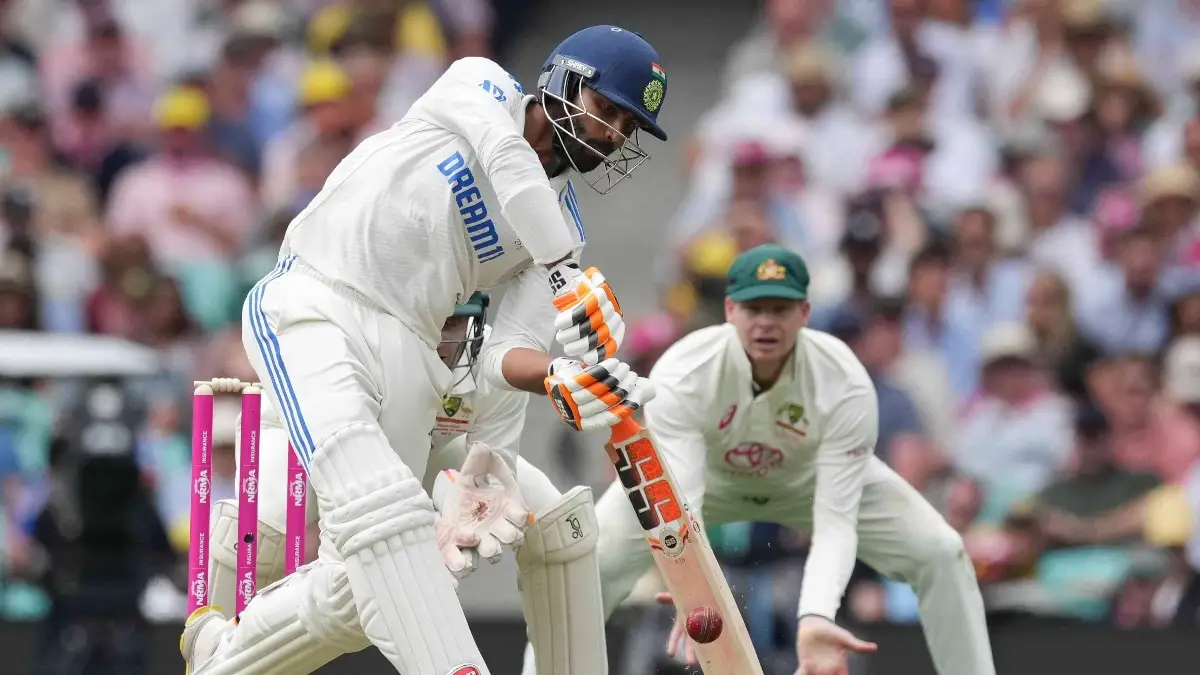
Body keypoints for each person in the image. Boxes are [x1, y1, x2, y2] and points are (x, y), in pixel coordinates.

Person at [182, 24, 668, 675]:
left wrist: (552, 379)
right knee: (378, 510)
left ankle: (221, 653)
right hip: (318, 299)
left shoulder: (564, 232)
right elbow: (506, 159)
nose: (611, 136)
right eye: (607, 110)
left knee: (368, 577)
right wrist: (564, 276)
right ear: (562, 79)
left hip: (412, 353)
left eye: (627, 128)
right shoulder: (481, 85)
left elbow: (503, 354)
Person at [573, 244, 996, 675]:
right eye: (754, 308)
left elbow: (835, 523)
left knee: (942, 552)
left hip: (808, 485)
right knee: (587, 559)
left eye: (781, 308)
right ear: (730, 310)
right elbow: (681, 503)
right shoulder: (682, 372)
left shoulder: (844, 381)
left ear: (805, 313)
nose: (767, 322)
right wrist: (692, 590)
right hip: (706, 486)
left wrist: (815, 617)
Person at [197, 293, 608, 674]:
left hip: (426, 448)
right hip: (306, 434)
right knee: (276, 530)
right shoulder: (369, 342)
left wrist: (468, 503)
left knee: (555, 521)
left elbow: (493, 467)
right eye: (437, 323)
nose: (445, 341)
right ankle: (210, 646)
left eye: (455, 325)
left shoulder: (488, 354)